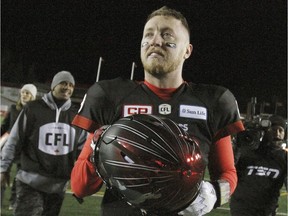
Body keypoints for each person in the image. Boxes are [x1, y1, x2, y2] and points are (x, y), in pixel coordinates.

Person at [71, 6, 245, 216]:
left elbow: (227, 173)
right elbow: (80, 187)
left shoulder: (213, 102)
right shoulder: (109, 96)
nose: (155, 40)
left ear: (187, 51)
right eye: (149, 34)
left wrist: (215, 194)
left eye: (166, 35)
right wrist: (98, 150)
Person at [0, 71, 87, 216]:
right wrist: (3, 169)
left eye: (71, 85)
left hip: (58, 186)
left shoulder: (76, 115)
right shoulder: (33, 109)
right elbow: (14, 141)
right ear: (53, 86)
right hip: (30, 182)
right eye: (63, 83)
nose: (67, 87)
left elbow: (83, 150)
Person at [230, 115, 287, 216]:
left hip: (266, 212)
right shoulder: (248, 152)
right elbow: (230, 168)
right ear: (265, 132)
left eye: (280, 130)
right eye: (273, 129)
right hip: (240, 211)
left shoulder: (284, 158)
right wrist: (238, 145)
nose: (277, 134)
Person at [0, 83, 37, 210]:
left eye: (27, 93)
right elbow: (4, 126)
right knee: (2, 173)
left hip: (25, 149)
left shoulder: (35, 111)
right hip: (9, 147)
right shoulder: (13, 108)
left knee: (19, 178)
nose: (24, 95)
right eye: (23, 92)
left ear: (33, 96)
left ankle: (14, 202)